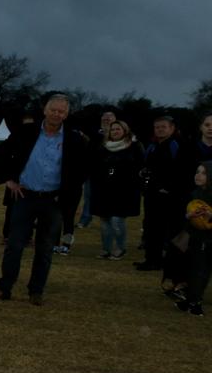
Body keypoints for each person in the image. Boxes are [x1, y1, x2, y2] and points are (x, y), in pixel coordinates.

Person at [0, 93, 89, 306]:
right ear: (45, 110)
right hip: (25, 197)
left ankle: (36, 290)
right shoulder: (26, 132)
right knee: (14, 245)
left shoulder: (74, 139)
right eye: (53, 110)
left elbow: (81, 171)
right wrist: (9, 180)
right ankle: (4, 287)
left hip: (53, 201)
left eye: (61, 111)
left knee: (45, 248)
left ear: (66, 114)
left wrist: (69, 198)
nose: (57, 114)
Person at [136, 115, 193, 276]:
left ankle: (172, 262)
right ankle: (152, 259)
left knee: (171, 230)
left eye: (163, 127)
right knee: (151, 228)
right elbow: (145, 166)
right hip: (151, 195)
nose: (160, 130)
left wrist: (169, 188)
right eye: (157, 127)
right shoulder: (152, 146)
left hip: (170, 197)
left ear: (172, 128)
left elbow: (182, 170)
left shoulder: (177, 145)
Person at [89, 120, 143, 260]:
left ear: (125, 131)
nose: (115, 132)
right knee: (105, 221)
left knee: (117, 220)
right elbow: (96, 166)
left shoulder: (134, 146)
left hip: (125, 190)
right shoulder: (103, 147)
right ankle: (106, 249)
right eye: (113, 129)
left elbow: (141, 167)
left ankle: (120, 248)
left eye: (118, 129)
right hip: (104, 190)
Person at [176, 162, 212, 316]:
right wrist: (188, 216)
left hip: (207, 239)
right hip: (193, 236)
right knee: (193, 268)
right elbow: (182, 216)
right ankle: (189, 299)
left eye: (204, 173)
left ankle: (194, 303)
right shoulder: (194, 194)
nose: (198, 175)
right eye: (197, 172)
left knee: (201, 270)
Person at [76, 109, 117, 230]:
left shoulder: (118, 134)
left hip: (110, 172)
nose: (106, 121)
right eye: (104, 119)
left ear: (115, 120)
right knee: (89, 197)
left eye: (109, 119)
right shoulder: (94, 134)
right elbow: (88, 151)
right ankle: (85, 220)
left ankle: (109, 221)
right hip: (93, 172)